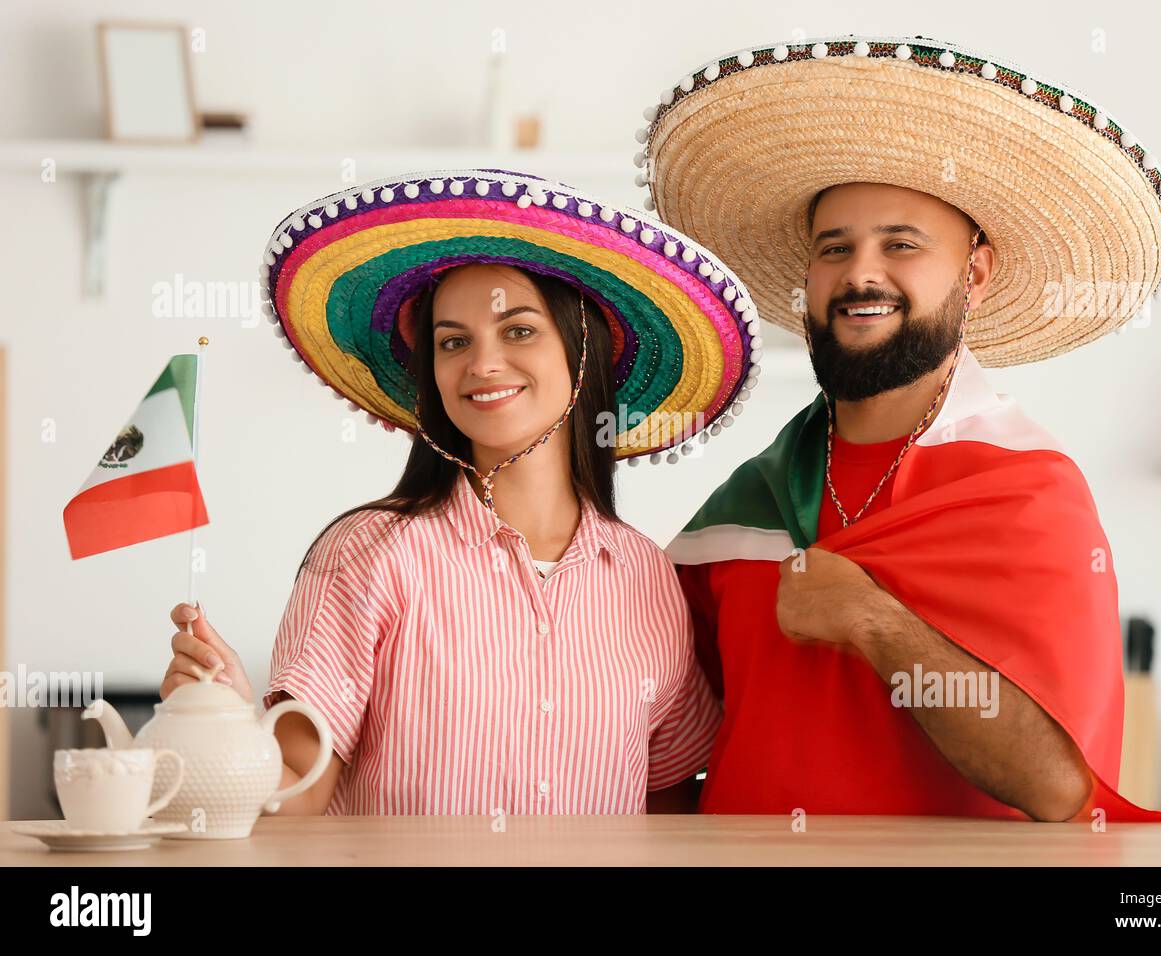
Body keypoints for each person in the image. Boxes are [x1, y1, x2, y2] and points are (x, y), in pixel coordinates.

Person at [640, 36, 1161, 822]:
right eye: (834, 249)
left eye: (900, 245)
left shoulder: (1024, 491)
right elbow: (661, 745)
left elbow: (1057, 788)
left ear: (973, 275)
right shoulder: (747, 503)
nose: (860, 274)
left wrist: (876, 623)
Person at [159, 169, 760, 815]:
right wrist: (217, 729)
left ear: (583, 356)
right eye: (453, 342)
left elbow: (664, 797)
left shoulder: (644, 574)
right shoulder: (367, 553)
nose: (482, 364)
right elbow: (297, 794)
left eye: (519, 330)